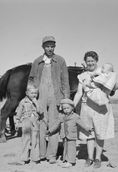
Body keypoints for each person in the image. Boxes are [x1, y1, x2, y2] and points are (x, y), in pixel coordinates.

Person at [29, 36, 70, 164]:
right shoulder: (37, 61)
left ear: (55, 47)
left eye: (52, 46)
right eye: (47, 46)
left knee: (54, 125)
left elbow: (65, 81)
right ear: (43, 47)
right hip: (41, 95)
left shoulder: (60, 61)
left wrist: (65, 99)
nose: (50, 48)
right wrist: (32, 97)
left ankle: (51, 155)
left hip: (55, 95)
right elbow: (31, 79)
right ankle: (41, 154)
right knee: (41, 123)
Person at [73, 51, 116, 168]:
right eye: (88, 61)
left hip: (101, 108)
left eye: (92, 60)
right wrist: (72, 105)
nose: (90, 63)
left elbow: (111, 88)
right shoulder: (82, 76)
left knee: (100, 133)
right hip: (86, 107)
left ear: (96, 61)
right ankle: (90, 157)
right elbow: (78, 93)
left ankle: (98, 158)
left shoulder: (104, 73)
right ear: (85, 62)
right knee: (89, 133)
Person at [47, 98, 93, 168]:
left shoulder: (75, 116)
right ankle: (65, 160)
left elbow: (82, 123)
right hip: (64, 135)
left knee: (71, 148)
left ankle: (71, 162)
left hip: (72, 135)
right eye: (64, 108)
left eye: (67, 108)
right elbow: (56, 124)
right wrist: (50, 130)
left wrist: (88, 128)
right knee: (65, 148)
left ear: (72, 108)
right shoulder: (61, 116)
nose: (66, 110)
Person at [15, 83, 40, 164]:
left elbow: (41, 111)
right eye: (32, 93)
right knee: (26, 139)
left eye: (35, 93)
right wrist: (17, 121)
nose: (34, 95)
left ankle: (35, 158)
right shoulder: (23, 102)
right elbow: (19, 112)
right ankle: (24, 158)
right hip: (26, 121)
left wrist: (36, 103)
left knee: (35, 140)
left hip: (35, 122)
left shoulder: (37, 101)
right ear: (27, 93)